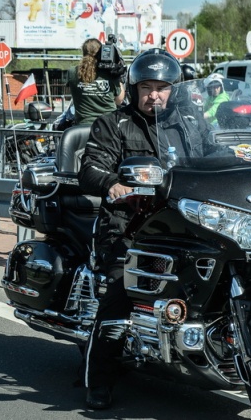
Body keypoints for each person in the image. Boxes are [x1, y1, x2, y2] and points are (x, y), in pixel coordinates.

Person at [77, 49, 184, 410]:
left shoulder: (187, 126)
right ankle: (98, 381)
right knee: (123, 287)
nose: (155, 94)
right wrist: (112, 184)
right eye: (147, 87)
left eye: (163, 87)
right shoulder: (113, 124)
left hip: (180, 225)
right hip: (127, 226)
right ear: (133, 87)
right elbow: (89, 169)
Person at [67, 38, 125, 125]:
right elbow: (119, 100)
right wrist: (118, 77)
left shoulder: (72, 72)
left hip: (83, 124)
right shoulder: (110, 73)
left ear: (83, 53)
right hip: (108, 126)